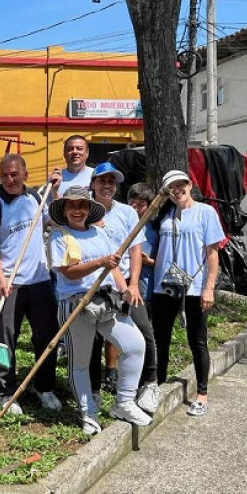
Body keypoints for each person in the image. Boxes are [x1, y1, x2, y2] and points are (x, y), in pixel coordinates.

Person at [49, 186, 152, 434]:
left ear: (88, 209)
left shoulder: (99, 232)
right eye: (72, 205)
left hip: (106, 301)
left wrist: (124, 288)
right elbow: (68, 272)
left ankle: (124, 402)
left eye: (82, 205)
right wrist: (98, 263)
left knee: (135, 345)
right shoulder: (59, 236)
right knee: (81, 363)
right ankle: (89, 413)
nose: (77, 210)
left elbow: (114, 267)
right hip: (76, 304)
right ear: (64, 209)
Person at [0, 154, 61, 415]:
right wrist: (2, 277)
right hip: (7, 283)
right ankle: (5, 392)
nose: (10, 179)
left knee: (46, 337)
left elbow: (52, 220)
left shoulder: (36, 198)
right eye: (5, 175)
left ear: (25, 175)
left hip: (39, 280)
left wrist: (55, 191)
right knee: (5, 340)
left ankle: (44, 387)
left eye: (15, 174)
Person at [90, 161, 161, 415]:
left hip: (127, 286)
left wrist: (133, 285)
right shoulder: (86, 212)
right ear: (93, 184)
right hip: (98, 287)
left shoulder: (127, 213)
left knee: (145, 332)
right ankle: (94, 391)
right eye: (102, 181)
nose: (107, 185)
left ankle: (150, 385)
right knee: (95, 341)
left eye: (112, 181)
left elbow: (136, 250)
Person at [152, 170, 224, 417]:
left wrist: (209, 288)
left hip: (194, 286)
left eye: (181, 184)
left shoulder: (205, 212)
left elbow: (212, 253)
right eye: (171, 187)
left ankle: (202, 393)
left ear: (190, 185)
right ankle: (158, 386)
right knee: (160, 338)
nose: (177, 189)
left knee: (197, 340)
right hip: (164, 285)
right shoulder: (165, 214)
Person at [127, 183, 159, 310]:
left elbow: (166, 263)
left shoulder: (154, 230)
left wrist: (147, 261)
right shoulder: (121, 224)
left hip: (147, 287)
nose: (135, 208)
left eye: (141, 205)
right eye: (132, 203)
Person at [49, 135, 94, 200]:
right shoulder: (55, 178)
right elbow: (47, 207)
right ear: (64, 154)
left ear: (87, 153)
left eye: (79, 148)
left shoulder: (96, 175)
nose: (75, 152)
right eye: (70, 149)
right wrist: (54, 191)